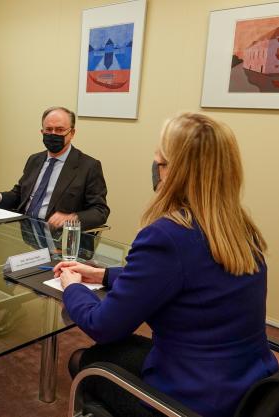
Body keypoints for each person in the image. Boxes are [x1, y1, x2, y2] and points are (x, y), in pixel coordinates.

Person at [55, 112, 278, 417]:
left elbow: (102, 325)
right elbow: (186, 278)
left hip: (190, 402)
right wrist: (104, 274)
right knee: (111, 352)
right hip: (248, 389)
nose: (154, 167)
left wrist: (71, 287)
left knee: (85, 360)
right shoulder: (240, 229)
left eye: (159, 162)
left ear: (177, 172)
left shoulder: (166, 236)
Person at [0, 106, 109, 230]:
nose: (53, 134)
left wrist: (72, 218)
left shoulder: (89, 166)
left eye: (59, 130)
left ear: (72, 133)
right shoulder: (34, 160)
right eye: (48, 129)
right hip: (24, 232)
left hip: (58, 238)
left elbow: (100, 211)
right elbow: (19, 194)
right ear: (42, 132)